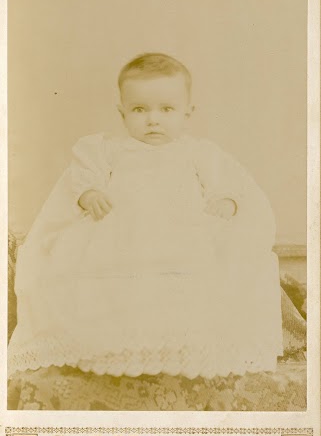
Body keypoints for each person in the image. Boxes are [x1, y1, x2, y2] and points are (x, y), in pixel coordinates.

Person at [8, 53, 283, 382]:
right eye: (140, 110)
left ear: (187, 113)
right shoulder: (108, 149)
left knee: (202, 276)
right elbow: (81, 179)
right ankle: (114, 343)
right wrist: (90, 194)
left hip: (183, 236)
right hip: (121, 238)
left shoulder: (198, 152)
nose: (153, 120)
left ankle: (184, 342)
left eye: (166, 110)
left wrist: (225, 201)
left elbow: (230, 184)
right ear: (122, 112)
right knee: (104, 281)